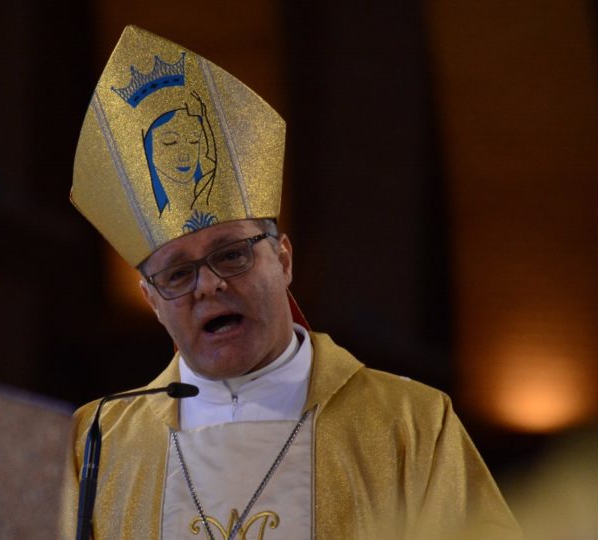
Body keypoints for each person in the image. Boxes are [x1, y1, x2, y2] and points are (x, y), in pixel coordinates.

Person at [63, 25, 521, 539]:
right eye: (178, 273)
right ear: (152, 301)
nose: (209, 286)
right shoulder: (100, 441)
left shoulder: (409, 424)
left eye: (232, 255)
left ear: (282, 261)